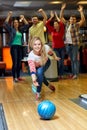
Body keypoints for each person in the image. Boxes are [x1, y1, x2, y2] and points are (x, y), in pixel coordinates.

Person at [60, 3, 85, 79]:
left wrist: (81, 11)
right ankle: (73, 73)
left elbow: (83, 20)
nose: (72, 20)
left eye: (74, 19)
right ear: (69, 19)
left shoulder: (77, 25)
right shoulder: (67, 24)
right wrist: (62, 9)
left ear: (75, 20)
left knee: (74, 60)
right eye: (71, 19)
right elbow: (61, 17)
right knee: (71, 60)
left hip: (74, 45)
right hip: (68, 45)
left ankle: (76, 74)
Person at [4, 11, 29, 82]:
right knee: (15, 63)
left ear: (18, 23)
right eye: (14, 22)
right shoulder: (11, 30)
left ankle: (18, 77)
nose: (16, 23)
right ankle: (14, 77)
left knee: (19, 63)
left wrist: (23, 18)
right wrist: (9, 15)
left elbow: (27, 25)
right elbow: (5, 24)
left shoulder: (20, 30)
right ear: (13, 24)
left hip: (20, 47)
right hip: (14, 47)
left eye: (17, 22)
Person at [46, 11, 65, 79]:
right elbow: (47, 23)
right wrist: (51, 17)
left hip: (62, 48)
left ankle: (61, 75)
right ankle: (57, 74)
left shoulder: (61, 30)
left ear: (58, 25)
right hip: (55, 48)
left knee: (62, 62)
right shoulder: (52, 30)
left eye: (56, 24)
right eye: (54, 24)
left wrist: (56, 16)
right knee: (58, 61)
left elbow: (62, 23)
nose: (55, 25)